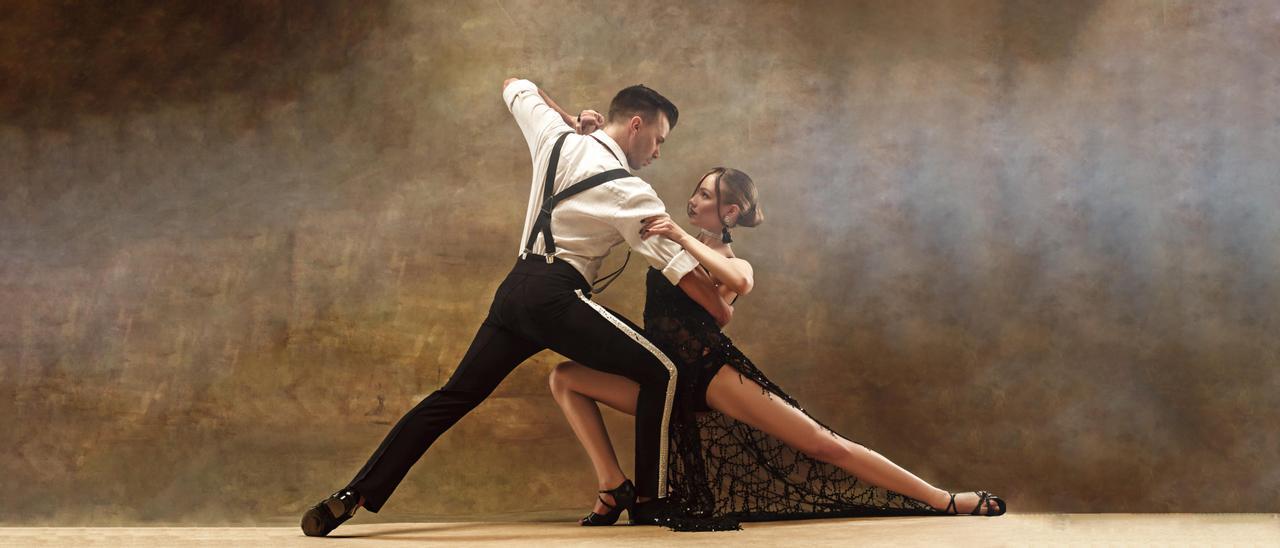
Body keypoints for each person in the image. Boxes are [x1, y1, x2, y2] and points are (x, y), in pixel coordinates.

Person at [300, 78, 733, 536]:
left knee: (453, 396)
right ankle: (649, 502)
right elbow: (681, 272)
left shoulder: (556, 136)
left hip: (515, 290)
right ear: (637, 125)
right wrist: (721, 308)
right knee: (662, 371)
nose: (658, 152)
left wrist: (567, 117)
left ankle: (353, 495)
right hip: (555, 296)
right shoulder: (631, 191)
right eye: (659, 140)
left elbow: (516, 85)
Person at [548, 167, 1008, 530]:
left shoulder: (729, 260)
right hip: (662, 379)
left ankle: (942, 499)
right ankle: (613, 486)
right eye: (697, 191)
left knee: (824, 445)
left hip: (709, 376)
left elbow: (739, 283)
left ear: (730, 213)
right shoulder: (671, 250)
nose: (693, 199)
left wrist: (681, 237)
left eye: (706, 195)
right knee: (564, 378)